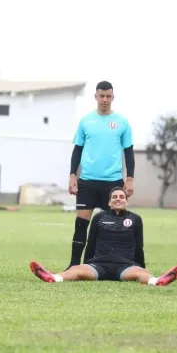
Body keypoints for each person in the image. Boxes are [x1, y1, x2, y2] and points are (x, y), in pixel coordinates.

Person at [30, 187, 177, 286]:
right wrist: (87, 264)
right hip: (99, 265)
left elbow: (138, 246)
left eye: (121, 197)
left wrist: (140, 266)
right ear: (109, 202)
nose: (118, 198)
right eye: (114, 197)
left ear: (126, 202)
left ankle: (157, 281)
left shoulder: (136, 219)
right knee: (76, 270)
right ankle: (53, 277)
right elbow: (90, 244)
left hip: (125, 266)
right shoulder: (99, 218)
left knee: (142, 274)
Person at [67, 81, 135, 269]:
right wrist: (73, 175)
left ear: (113, 97)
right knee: (81, 224)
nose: (104, 99)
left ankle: (105, 264)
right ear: (95, 97)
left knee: (110, 226)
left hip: (112, 181)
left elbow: (129, 152)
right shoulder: (86, 121)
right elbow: (77, 150)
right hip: (87, 181)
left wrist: (130, 178)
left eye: (108, 96)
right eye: (101, 96)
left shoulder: (122, 122)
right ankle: (74, 265)